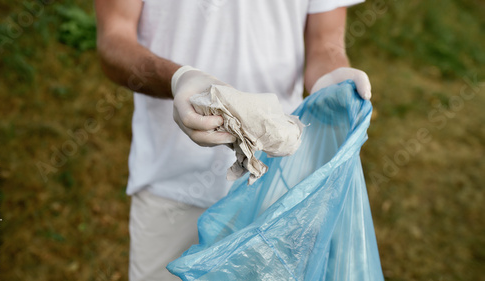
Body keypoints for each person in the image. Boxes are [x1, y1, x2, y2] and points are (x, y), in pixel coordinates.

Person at [95, 0, 372, 280]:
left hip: (277, 186)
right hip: (172, 182)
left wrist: (333, 80)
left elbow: (325, 44)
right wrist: (178, 79)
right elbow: (115, 38)